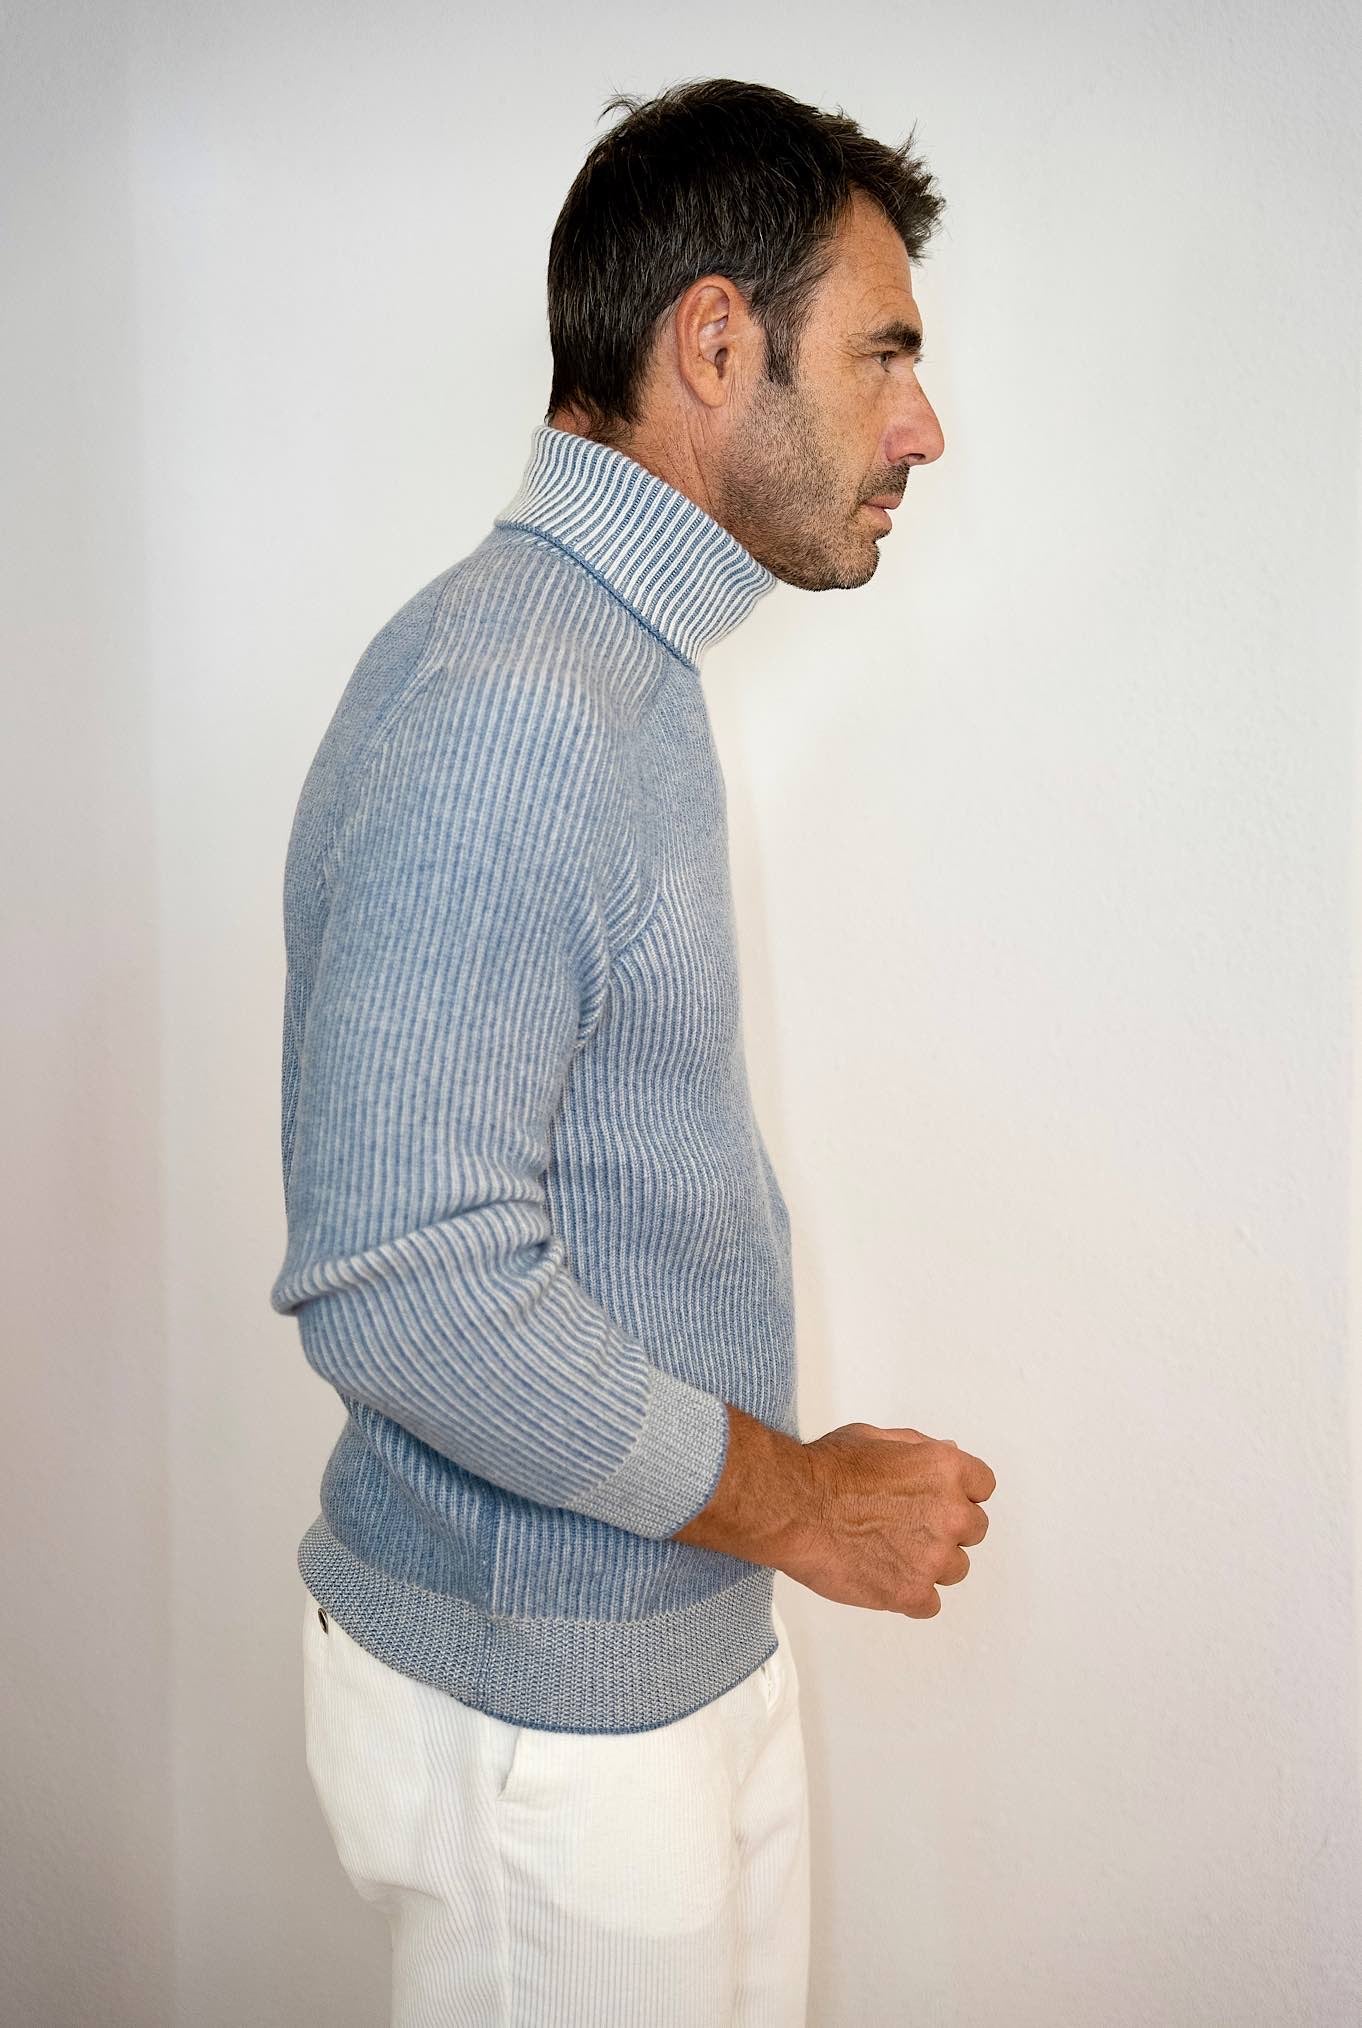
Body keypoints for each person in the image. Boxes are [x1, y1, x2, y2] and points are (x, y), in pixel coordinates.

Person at [271, 73, 996, 2028]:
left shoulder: (611, 665)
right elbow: (407, 1289)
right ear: (714, 341)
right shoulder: (515, 699)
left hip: (646, 1672)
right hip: (545, 1729)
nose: (921, 424)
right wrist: (803, 1502)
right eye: (885, 353)